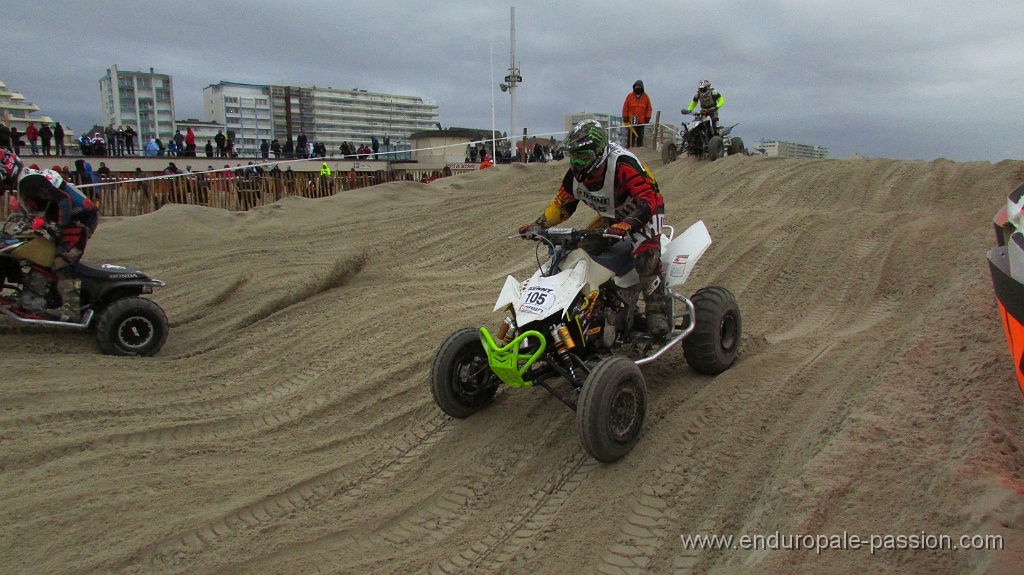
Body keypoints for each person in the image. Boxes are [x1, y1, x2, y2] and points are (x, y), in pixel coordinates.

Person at [517, 119, 670, 337]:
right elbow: (562, 205)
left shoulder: (623, 165)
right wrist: (537, 225)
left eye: (584, 156)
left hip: (644, 212)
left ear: (599, 153)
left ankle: (656, 312)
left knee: (645, 255)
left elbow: (649, 199)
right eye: (574, 156)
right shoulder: (574, 176)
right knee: (582, 249)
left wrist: (628, 224)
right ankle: (598, 307)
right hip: (612, 217)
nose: (578, 162)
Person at [1, 151, 98, 317]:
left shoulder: (30, 182)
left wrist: (56, 225)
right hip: (70, 221)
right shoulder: (26, 181)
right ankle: (35, 292)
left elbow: (63, 200)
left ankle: (71, 309)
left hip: (78, 222)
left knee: (63, 263)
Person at [622, 80, 652, 148]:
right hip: (631, 121)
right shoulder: (630, 96)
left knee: (640, 137)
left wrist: (648, 117)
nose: (637, 88)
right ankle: (629, 149)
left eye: (639, 86)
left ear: (642, 87)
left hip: (641, 121)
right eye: (636, 86)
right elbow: (625, 107)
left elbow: (649, 108)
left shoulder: (646, 97)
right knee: (630, 137)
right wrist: (625, 116)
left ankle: (639, 150)